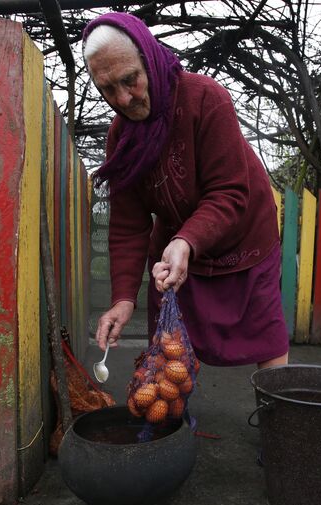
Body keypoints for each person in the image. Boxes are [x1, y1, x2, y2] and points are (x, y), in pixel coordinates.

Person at [83, 12, 289, 369]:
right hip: (178, 244)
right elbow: (129, 226)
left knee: (264, 335)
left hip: (244, 236)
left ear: (148, 58)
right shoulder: (122, 137)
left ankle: (279, 416)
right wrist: (122, 299)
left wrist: (185, 240)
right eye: (107, 88)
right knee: (167, 347)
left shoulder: (206, 99)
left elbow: (228, 192)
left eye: (130, 80)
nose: (123, 98)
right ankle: (168, 419)